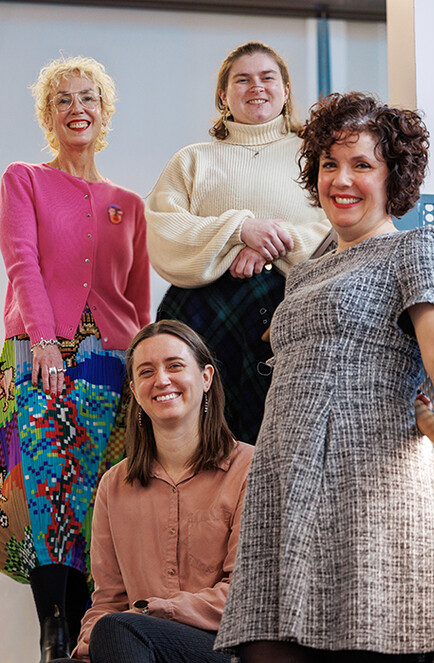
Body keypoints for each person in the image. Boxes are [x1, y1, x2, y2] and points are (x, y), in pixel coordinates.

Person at [214, 92, 434, 663]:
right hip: (288, 483)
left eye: (362, 165)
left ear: (393, 176)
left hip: (366, 483)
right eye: (328, 165)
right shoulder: (314, 262)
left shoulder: (416, 249)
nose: (341, 180)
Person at [0, 55, 150, 663]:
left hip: (112, 359)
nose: (77, 108)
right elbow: (21, 260)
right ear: (48, 116)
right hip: (40, 354)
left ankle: (90, 634)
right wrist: (46, 340)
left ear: (104, 114)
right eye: (62, 100)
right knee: (48, 494)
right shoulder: (23, 178)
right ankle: (54, 633)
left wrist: (145, 362)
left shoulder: (128, 202)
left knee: (103, 496)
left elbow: (137, 297)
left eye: (88, 99)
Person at [31, 320, 266, 663]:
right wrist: (91, 640)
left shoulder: (251, 467)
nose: (161, 380)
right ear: (136, 391)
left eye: (175, 366)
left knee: (123, 631)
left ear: (205, 377)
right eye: (146, 372)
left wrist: (158, 613)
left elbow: (246, 596)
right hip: (134, 656)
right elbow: (107, 600)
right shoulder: (114, 485)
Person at [146, 40, 330, 445]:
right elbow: (163, 231)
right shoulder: (192, 160)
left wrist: (265, 244)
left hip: (289, 311)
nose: (256, 87)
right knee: (196, 443)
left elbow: (335, 227)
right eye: (242, 79)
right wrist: (238, 229)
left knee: (278, 442)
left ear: (285, 90)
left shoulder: (315, 156)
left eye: (267, 77)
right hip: (202, 314)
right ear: (223, 95)